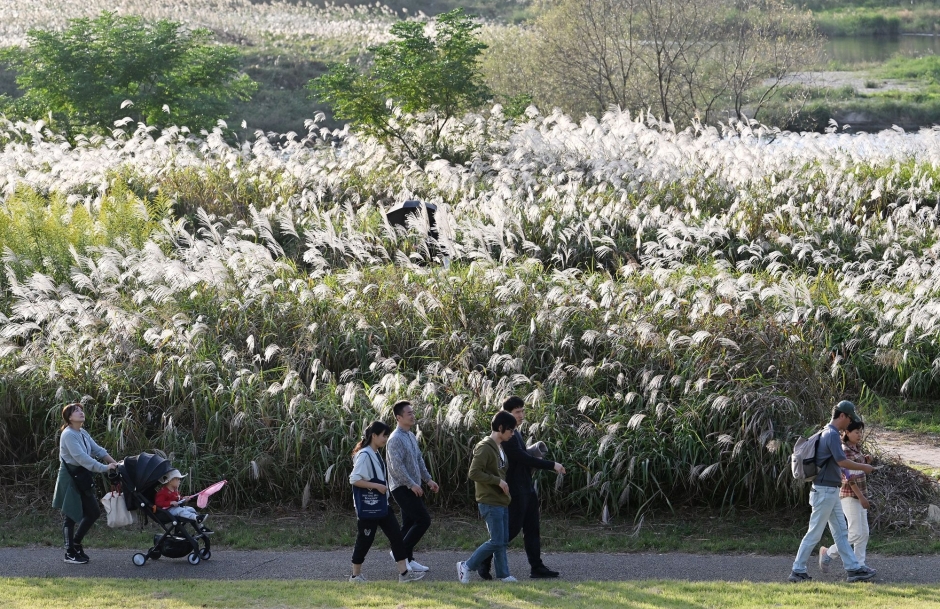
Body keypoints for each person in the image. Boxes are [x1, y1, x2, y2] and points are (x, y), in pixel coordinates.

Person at [788, 400, 877, 583]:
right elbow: (842, 462)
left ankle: (853, 569)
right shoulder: (832, 435)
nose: (850, 422)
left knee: (841, 533)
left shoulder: (829, 433)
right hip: (825, 491)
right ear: (842, 416)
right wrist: (864, 467)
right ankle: (798, 570)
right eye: (850, 418)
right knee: (814, 533)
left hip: (830, 491)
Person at [479, 396, 566, 579]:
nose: (521, 415)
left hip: (526, 486)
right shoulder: (507, 436)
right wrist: (552, 465)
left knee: (532, 529)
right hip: (516, 490)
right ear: (506, 415)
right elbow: (521, 457)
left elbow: (523, 456)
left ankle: (537, 567)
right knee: (511, 530)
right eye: (517, 412)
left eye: (522, 411)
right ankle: (483, 560)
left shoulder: (516, 433)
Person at [349, 421, 425, 583]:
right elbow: (354, 479)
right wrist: (377, 486)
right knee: (365, 539)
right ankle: (355, 576)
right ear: (374, 436)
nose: (386, 439)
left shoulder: (374, 453)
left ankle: (404, 574)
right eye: (383, 435)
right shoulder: (364, 455)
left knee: (396, 536)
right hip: (369, 506)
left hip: (381, 504)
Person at [51, 402, 117, 564]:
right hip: (70, 478)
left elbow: (98, 450)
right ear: (69, 417)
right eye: (76, 411)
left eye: (81, 410)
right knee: (71, 515)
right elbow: (82, 458)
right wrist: (105, 468)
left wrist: (115, 465)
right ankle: (69, 552)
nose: (81, 412)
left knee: (93, 512)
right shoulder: (68, 435)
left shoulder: (82, 432)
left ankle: (76, 543)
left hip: (82, 476)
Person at [457, 410, 518, 584]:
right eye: (510, 430)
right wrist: (497, 481)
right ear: (500, 427)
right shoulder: (485, 447)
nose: (513, 434)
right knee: (497, 540)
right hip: (489, 501)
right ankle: (467, 566)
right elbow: (473, 472)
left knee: (502, 541)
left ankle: (503, 574)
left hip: (501, 500)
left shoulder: (499, 447)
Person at [386, 400, 439, 573]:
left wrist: (428, 480)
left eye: (412, 412)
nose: (412, 415)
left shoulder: (409, 435)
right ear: (399, 417)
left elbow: (418, 459)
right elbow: (396, 467)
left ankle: (408, 558)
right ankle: (399, 552)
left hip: (412, 485)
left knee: (408, 524)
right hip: (401, 487)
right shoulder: (394, 439)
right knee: (423, 520)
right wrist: (412, 484)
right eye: (409, 413)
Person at [819, 420, 872, 572]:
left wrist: (866, 460)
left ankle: (859, 565)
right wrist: (861, 497)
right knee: (855, 532)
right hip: (850, 495)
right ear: (846, 433)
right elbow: (848, 477)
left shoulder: (856, 448)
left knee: (864, 533)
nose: (859, 435)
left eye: (861, 432)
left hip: (860, 494)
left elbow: (858, 469)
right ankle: (828, 553)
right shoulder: (845, 450)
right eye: (856, 432)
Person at [155, 469, 213, 534]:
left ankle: (200, 527)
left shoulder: (175, 490)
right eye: (178, 479)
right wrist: (170, 503)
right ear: (170, 481)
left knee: (191, 509)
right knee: (180, 511)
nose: (179, 481)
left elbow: (178, 499)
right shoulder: (163, 492)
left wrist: (183, 498)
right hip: (167, 511)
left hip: (175, 508)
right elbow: (158, 503)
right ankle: (196, 518)